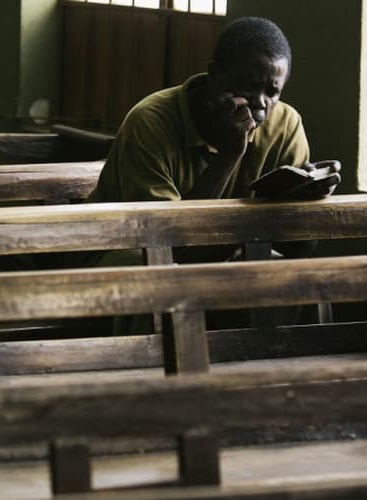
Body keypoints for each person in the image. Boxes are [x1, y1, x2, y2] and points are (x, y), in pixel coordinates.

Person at [83, 16, 341, 331]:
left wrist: (306, 203)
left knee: (302, 282)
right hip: (127, 254)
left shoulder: (285, 125)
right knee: (164, 281)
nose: (260, 103)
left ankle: (288, 375)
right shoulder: (151, 121)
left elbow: (297, 247)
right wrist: (230, 155)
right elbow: (166, 242)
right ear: (214, 75)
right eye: (248, 86)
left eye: (273, 91)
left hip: (231, 256)